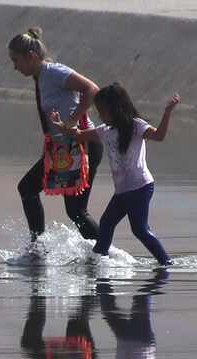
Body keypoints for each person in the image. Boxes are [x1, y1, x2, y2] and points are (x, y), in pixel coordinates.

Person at [50, 83, 180, 267]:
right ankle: (98, 260)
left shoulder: (136, 126)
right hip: (123, 191)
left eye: (103, 111)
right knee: (106, 223)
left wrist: (167, 112)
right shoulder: (105, 131)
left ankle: (166, 263)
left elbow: (159, 136)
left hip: (140, 187)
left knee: (140, 230)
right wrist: (62, 126)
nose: (100, 116)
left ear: (116, 109)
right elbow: (78, 135)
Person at [8, 28, 103, 243]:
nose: (14, 66)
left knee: (77, 211)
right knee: (28, 188)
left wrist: (73, 120)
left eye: (16, 60)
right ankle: (38, 246)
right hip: (63, 149)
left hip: (83, 145)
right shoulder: (40, 77)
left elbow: (92, 89)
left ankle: (104, 254)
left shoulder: (53, 72)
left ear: (31, 57)